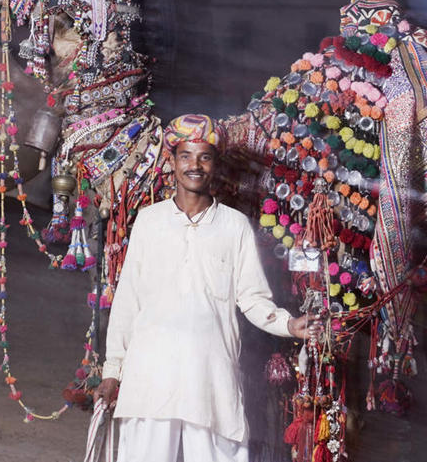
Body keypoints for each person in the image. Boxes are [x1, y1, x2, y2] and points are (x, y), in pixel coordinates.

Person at [94, 114, 317, 462]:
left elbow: (252, 298)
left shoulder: (234, 226)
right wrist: (112, 372)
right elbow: (127, 301)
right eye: (185, 156)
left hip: (211, 378)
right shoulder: (149, 222)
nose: (194, 166)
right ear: (172, 161)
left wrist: (288, 324)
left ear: (215, 165)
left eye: (204, 157)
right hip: (151, 375)